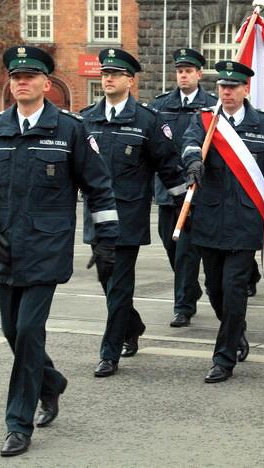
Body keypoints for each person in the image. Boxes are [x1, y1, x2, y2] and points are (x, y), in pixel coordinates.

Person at [0, 45, 119, 457]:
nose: (22, 82)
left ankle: (18, 424)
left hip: (46, 249)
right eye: (16, 77)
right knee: (12, 332)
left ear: (45, 84)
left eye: (30, 76)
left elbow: (99, 187)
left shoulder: (69, 130)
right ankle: (51, 383)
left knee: (29, 332)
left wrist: (105, 239)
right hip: (5, 249)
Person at [182, 60, 264, 383]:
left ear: (245, 89)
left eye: (232, 87)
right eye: (222, 87)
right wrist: (193, 163)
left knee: (234, 289)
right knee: (214, 288)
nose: (226, 92)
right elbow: (189, 145)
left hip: (245, 221)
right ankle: (235, 329)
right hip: (210, 218)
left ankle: (223, 358)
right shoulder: (205, 120)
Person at [81, 48, 186, 378]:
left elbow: (168, 167)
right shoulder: (86, 119)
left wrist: (186, 204)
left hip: (128, 218)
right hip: (97, 217)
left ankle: (109, 352)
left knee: (119, 285)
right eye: (104, 74)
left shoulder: (146, 121)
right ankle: (133, 324)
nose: (108, 79)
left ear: (130, 80)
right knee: (107, 283)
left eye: (115, 74)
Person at [151, 48, 217, 328]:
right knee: (170, 246)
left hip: (196, 190)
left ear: (199, 74)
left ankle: (183, 307)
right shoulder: (160, 105)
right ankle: (191, 289)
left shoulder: (212, 106)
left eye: (188, 71)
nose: (183, 76)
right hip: (168, 191)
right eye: (180, 71)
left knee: (186, 252)